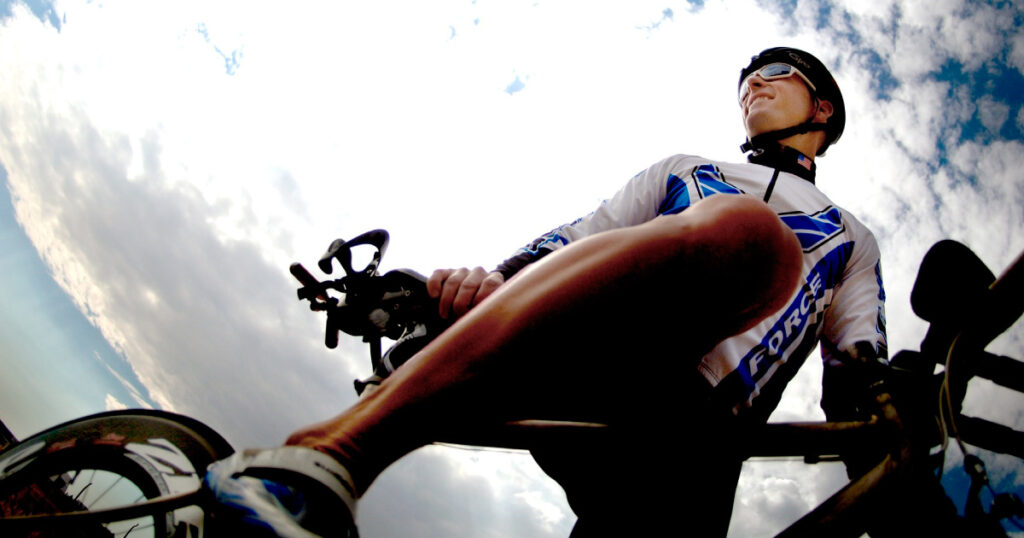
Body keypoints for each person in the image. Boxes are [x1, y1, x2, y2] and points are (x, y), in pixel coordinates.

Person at [204, 47, 887, 537]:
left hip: (700, 450)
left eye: (773, 75)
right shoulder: (688, 168)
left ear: (820, 108)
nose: (751, 88)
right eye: (744, 83)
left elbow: (857, 364)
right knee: (750, 236)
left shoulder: (852, 237)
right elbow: (582, 236)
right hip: (605, 358)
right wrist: (493, 280)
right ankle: (326, 457)